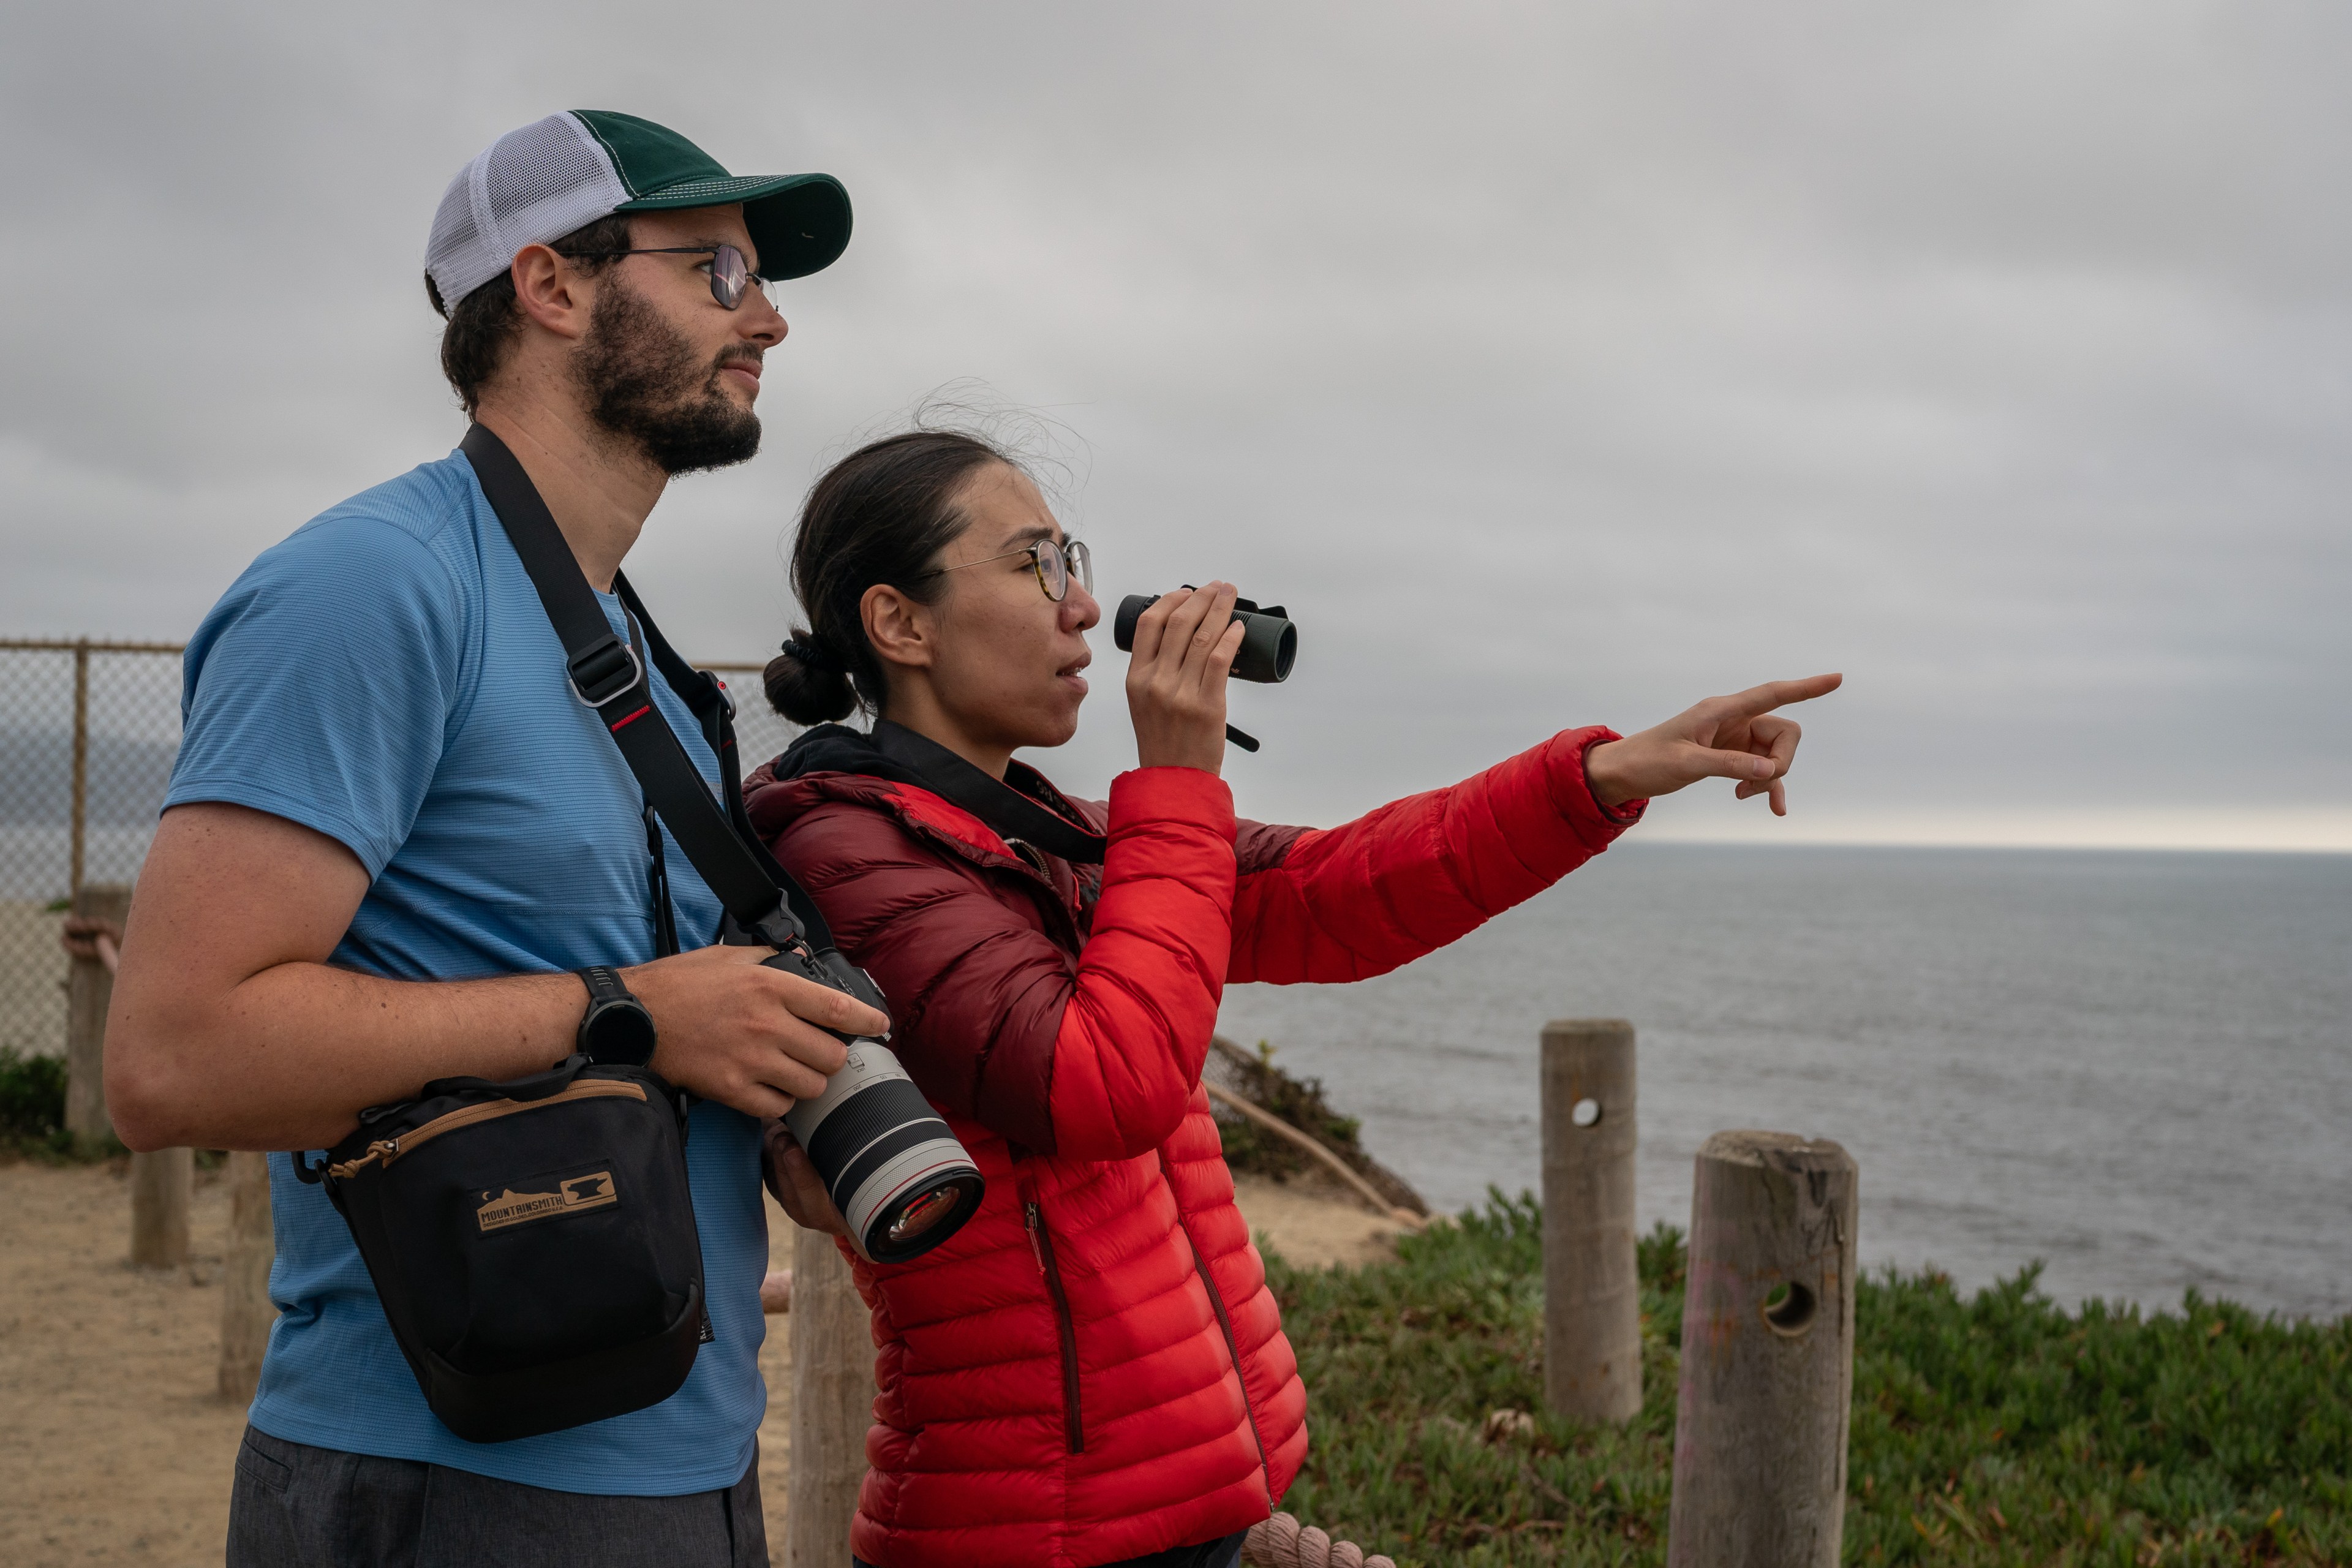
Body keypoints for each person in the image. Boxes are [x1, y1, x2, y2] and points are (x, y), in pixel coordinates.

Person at [743, 428, 1841, 1568]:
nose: (1082, 608)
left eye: (1073, 558)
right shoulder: (848, 850)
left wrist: (1606, 775)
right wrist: (1177, 777)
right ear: (899, 623)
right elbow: (1102, 1082)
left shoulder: (1047, 835)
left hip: (1160, 1515)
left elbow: (1335, 893)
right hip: (1031, 1536)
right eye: (1034, 566)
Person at [102, 111, 883, 1568]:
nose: (768, 316)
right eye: (716, 269)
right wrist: (632, 1013)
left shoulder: (642, 654)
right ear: (554, 285)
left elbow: (625, 1040)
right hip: (440, 1476)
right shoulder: (372, 586)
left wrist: (772, 1116)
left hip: (691, 1444)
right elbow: (170, 1057)